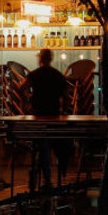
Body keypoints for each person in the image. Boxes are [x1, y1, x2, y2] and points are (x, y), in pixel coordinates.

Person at [24, 48, 71, 188]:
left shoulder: (34, 74)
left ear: (40, 58)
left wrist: (28, 100)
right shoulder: (57, 75)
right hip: (54, 115)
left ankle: (46, 178)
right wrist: (64, 110)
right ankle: (57, 176)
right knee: (56, 145)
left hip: (38, 116)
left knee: (42, 146)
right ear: (51, 59)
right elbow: (67, 96)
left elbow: (22, 88)